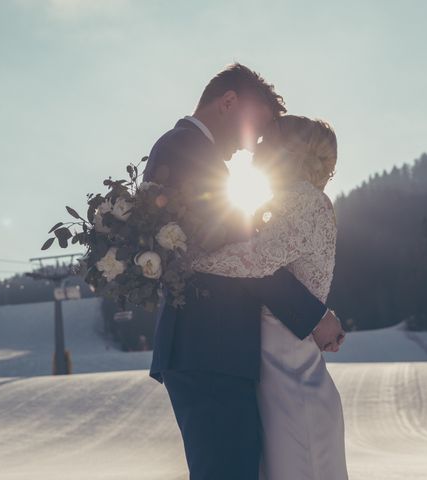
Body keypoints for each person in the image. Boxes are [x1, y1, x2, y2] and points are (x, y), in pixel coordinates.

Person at [143, 63, 345, 479]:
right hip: (207, 346)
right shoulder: (186, 149)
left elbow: (245, 257)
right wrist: (314, 316)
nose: (254, 144)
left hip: (214, 348)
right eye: (259, 127)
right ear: (228, 102)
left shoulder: (191, 151)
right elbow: (244, 259)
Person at [192, 115, 348, 479]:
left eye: (264, 141)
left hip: (294, 384)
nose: (254, 147)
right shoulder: (290, 200)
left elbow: (255, 261)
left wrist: (182, 256)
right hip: (280, 374)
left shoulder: (304, 201)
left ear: (287, 151)